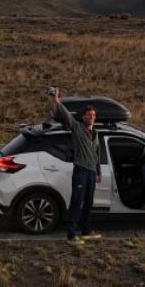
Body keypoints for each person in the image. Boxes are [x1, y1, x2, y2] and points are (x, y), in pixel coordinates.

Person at [48, 87, 102, 244]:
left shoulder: (96, 133)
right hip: (80, 171)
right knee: (76, 202)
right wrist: (56, 99)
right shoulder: (77, 127)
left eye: (93, 115)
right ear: (83, 117)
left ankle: (86, 230)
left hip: (92, 172)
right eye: (88, 115)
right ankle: (71, 235)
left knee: (89, 203)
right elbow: (66, 114)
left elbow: (97, 154)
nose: (91, 117)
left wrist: (98, 172)